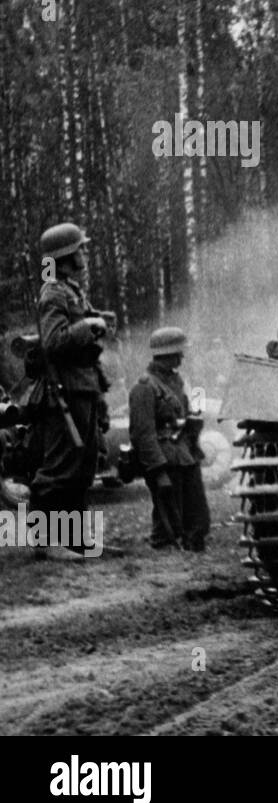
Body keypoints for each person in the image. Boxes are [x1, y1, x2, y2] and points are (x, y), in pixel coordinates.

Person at [30, 222, 110, 559]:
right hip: (64, 391)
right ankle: (47, 543)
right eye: (81, 248)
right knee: (59, 468)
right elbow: (53, 343)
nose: (85, 253)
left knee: (82, 466)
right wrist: (86, 327)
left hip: (84, 387)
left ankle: (75, 541)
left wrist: (95, 323)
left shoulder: (71, 290)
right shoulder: (53, 293)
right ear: (64, 256)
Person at [129, 327, 209, 552]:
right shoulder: (144, 387)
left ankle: (193, 546)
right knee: (168, 519)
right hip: (166, 459)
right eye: (179, 353)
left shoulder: (177, 382)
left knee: (198, 515)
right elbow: (142, 434)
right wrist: (158, 471)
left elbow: (189, 412)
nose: (182, 357)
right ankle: (165, 552)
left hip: (185, 454)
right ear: (168, 354)